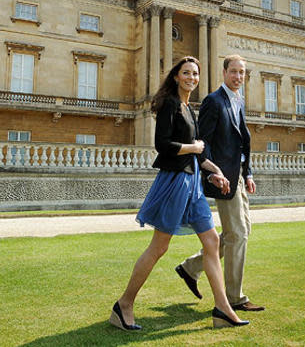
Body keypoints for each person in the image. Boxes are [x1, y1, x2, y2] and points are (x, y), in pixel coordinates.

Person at [109, 56, 249, 331]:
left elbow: (197, 153)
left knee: (211, 241)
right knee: (159, 247)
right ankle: (124, 305)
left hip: (194, 181)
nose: (192, 78)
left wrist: (214, 171)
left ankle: (223, 308)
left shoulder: (189, 108)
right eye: (186, 73)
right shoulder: (170, 104)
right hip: (174, 182)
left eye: (195, 74)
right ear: (176, 76)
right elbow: (163, 145)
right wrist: (194, 149)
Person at [175, 54, 265, 312]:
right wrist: (212, 172)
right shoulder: (214, 101)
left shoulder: (238, 101)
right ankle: (235, 298)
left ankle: (190, 267)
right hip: (223, 178)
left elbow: (241, 142)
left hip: (237, 175)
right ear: (224, 73)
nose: (238, 77)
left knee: (240, 231)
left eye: (242, 73)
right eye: (234, 71)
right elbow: (204, 142)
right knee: (238, 234)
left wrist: (248, 173)